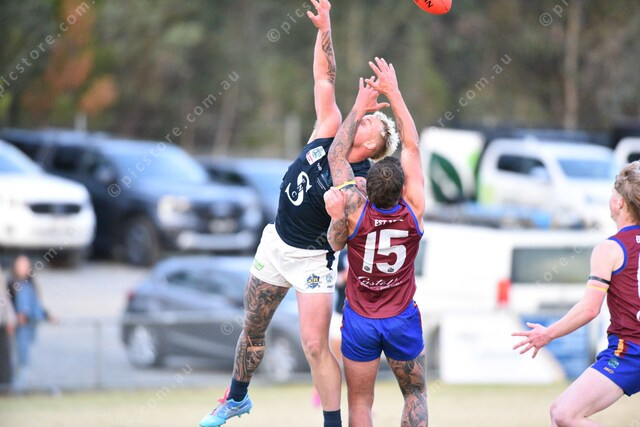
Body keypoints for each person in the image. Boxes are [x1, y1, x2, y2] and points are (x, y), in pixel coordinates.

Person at [198, 1, 398, 426]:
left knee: (313, 345)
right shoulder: (329, 127)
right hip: (276, 243)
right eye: (364, 117)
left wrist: (365, 107)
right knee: (252, 325)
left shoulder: (361, 180)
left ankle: (331, 422)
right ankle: (236, 399)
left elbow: (342, 229)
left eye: (371, 123)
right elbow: (324, 77)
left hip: (312, 259)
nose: (364, 120)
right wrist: (325, 29)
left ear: (375, 145)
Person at [323, 57, 428, 427]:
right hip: (401, 317)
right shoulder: (413, 209)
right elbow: (412, 146)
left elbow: (336, 153)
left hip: (361, 321)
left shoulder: (354, 206)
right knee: (415, 394)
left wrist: (359, 106)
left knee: (360, 403)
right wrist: (393, 92)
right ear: (402, 188)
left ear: (368, 186)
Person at [513, 161, 640, 427]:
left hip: (629, 350)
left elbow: (589, 309)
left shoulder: (611, 248)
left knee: (564, 415)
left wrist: (548, 333)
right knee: (558, 411)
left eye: (613, 193)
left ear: (619, 203)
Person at [8, 255, 55, 392]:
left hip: (30, 327)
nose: (24, 268)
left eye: (26, 265)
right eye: (21, 265)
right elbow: (6, 305)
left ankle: (23, 387)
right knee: (17, 359)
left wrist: (47, 315)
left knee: (27, 359)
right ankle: (15, 388)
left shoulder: (30, 285)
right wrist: (14, 317)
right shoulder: (11, 284)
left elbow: (36, 305)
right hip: (16, 329)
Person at [0, 266, 16, 393]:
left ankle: (5, 387)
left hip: (2, 322)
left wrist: (10, 318)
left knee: (5, 356)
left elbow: (4, 296)